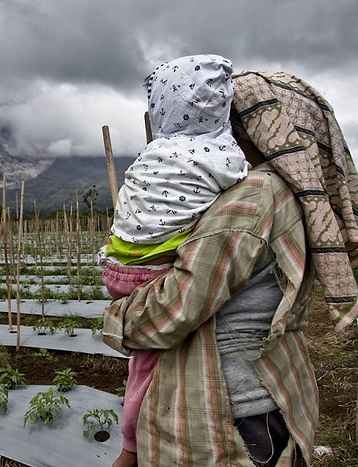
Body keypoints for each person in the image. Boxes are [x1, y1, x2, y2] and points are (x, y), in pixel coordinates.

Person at [102, 67, 358, 467]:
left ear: (257, 129)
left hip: (228, 414)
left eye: (231, 124)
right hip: (273, 392)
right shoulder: (293, 194)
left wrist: (116, 319)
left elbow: (174, 309)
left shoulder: (252, 197)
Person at [99, 54, 250, 467]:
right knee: (147, 366)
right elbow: (240, 187)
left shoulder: (150, 153)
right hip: (152, 272)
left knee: (141, 361)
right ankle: (131, 446)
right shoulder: (223, 157)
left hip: (116, 267)